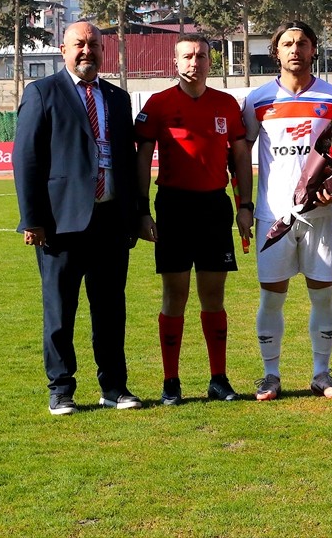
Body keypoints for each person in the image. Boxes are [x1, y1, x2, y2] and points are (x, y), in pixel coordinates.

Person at [12, 21, 140, 415]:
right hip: (60, 224)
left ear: (104, 51)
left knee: (110, 311)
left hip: (109, 221)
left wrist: (133, 216)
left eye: (95, 45)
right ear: (63, 49)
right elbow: (26, 158)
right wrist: (32, 219)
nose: (88, 51)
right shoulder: (41, 92)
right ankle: (61, 389)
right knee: (59, 311)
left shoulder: (118, 99)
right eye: (79, 45)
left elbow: (128, 161)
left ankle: (114, 388)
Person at [135, 34, 251, 406]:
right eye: (187, 56)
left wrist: (244, 204)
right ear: (176, 62)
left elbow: (240, 158)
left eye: (201, 56)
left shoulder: (227, 104)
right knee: (175, 296)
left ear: (209, 61)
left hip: (215, 208)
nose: (194, 62)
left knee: (213, 297)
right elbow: (141, 160)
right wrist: (142, 210)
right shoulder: (158, 104)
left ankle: (218, 378)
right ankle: (171, 382)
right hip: (174, 207)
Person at [241, 21, 332, 402]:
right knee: (272, 297)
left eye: (302, 43)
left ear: (313, 49)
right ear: (276, 52)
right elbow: (242, 154)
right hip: (274, 216)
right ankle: (270, 375)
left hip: (321, 215)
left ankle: (322, 373)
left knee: (322, 295)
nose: (295, 49)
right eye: (287, 43)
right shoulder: (257, 101)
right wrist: (244, 205)